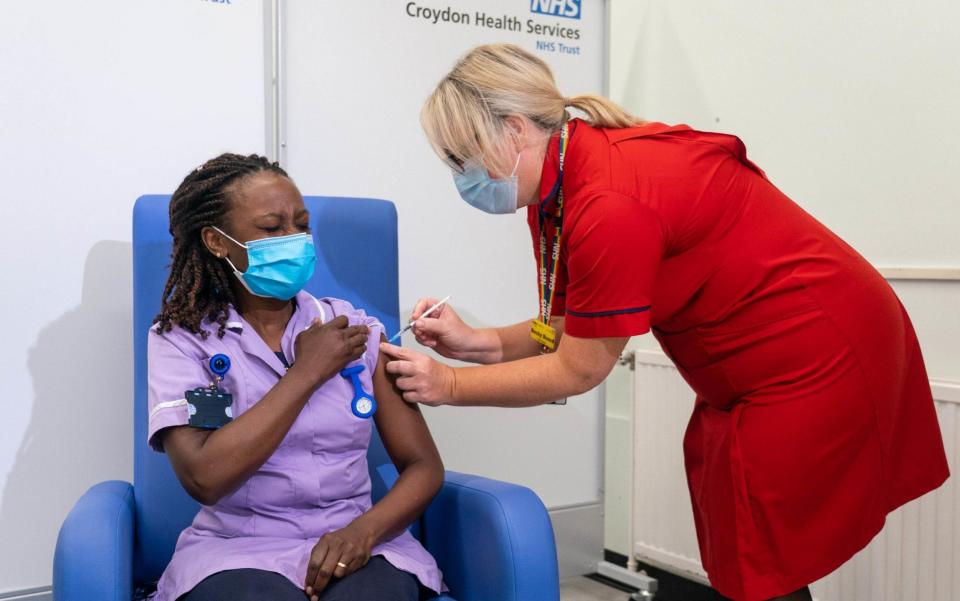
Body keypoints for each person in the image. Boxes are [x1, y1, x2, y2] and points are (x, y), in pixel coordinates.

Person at [378, 44, 949, 601]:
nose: (462, 177)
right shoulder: (558, 186)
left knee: (764, 551)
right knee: (740, 531)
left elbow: (580, 369)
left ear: (516, 129)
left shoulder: (607, 199)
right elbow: (568, 324)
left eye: (463, 157)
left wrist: (447, 384)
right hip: (753, 362)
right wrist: (477, 342)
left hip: (817, 350)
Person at [146, 153, 444, 601]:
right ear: (216, 241)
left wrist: (363, 533)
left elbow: (424, 465)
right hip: (236, 550)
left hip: (358, 542)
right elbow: (203, 478)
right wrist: (306, 373)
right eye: (271, 228)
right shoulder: (183, 341)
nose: (295, 239)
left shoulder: (352, 329)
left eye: (301, 225)